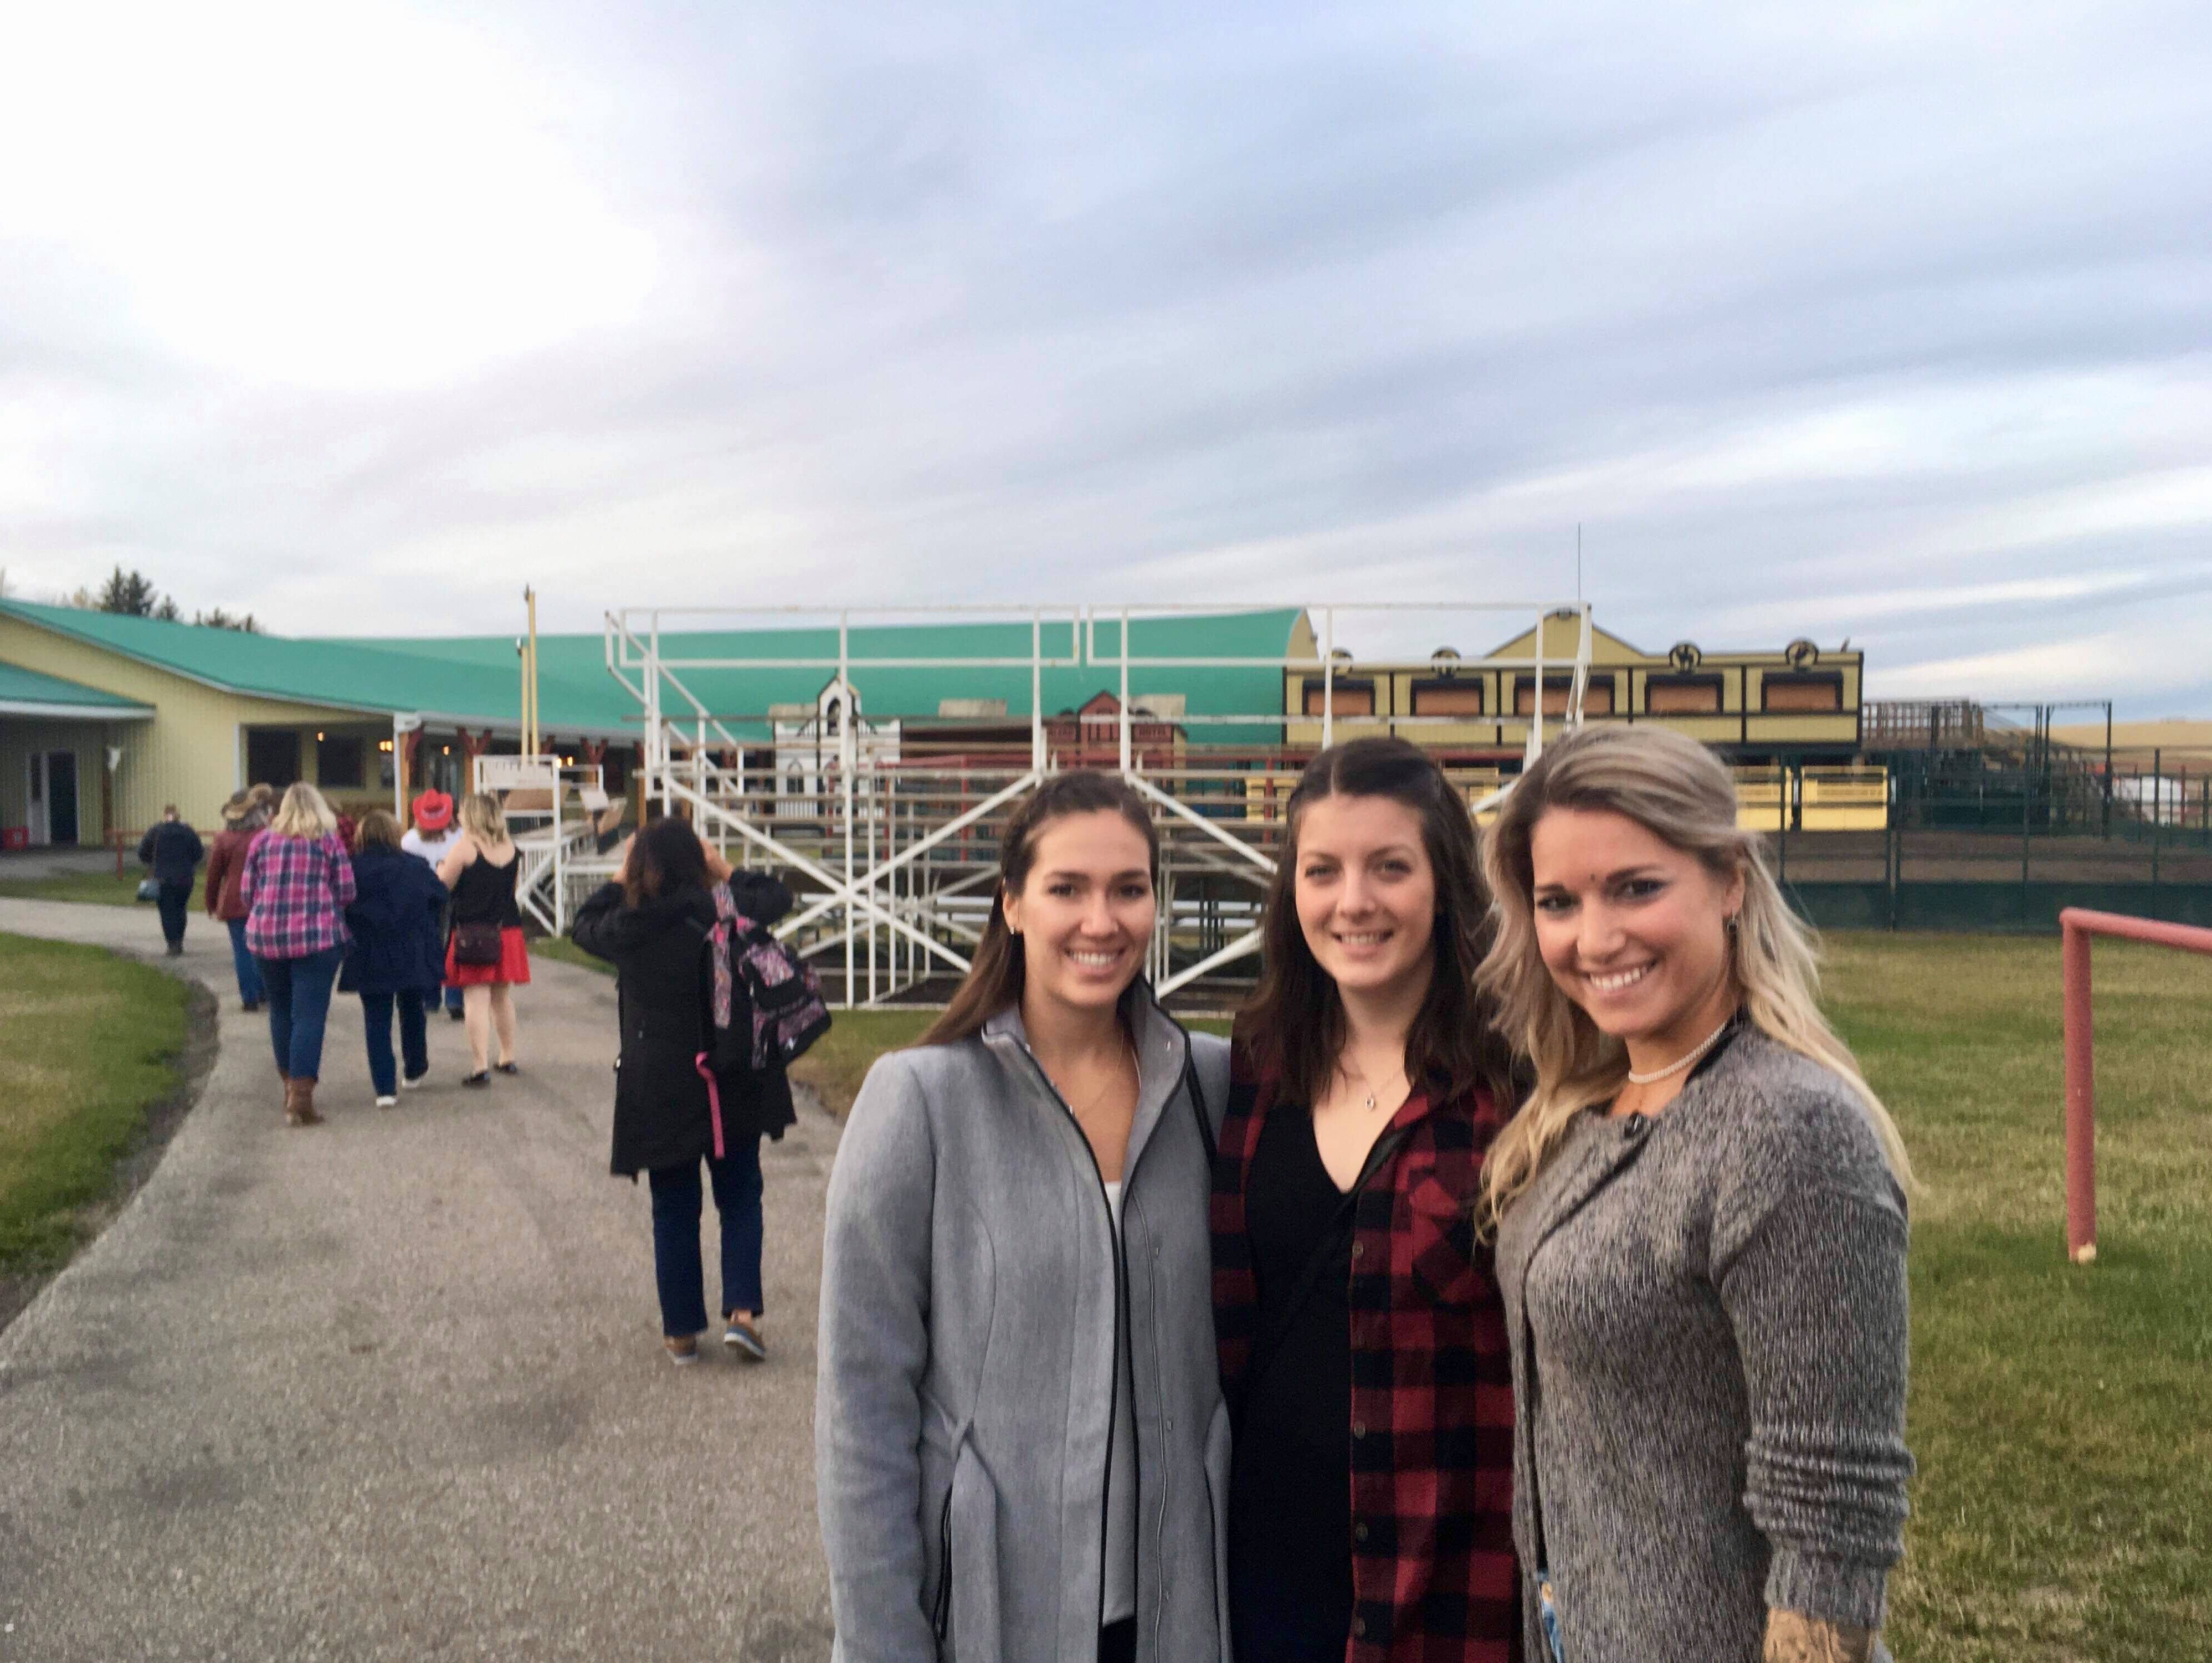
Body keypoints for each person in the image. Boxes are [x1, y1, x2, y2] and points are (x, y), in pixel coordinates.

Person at [1479, 723, 1915, 1663]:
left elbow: (1830, 1519)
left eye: (1635, 887)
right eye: (1557, 900)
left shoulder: (1787, 1131)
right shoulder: (1584, 1109)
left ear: (1727, 881)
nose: (1594, 938)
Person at [818, 772, 1233, 1663]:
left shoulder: (1214, 1085)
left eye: (1129, 888)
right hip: (993, 1624)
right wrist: (883, 1641)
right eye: (1067, 888)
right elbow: (863, 1407)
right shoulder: (921, 1101)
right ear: (1011, 904)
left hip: (1183, 1615)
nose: (1102, 919)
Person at [1213, 736, 1520, 1663]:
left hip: (1445, 1587)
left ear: (1443, 883)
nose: (1352, 901)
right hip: (1264, 1574)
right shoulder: (1257, 1065)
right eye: (1322, 870)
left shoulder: (1518, 1084)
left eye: (1389, 866)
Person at [571, 818, 799, 1364]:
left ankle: (680, 1329)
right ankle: (741, 1312)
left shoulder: (632, 924)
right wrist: (721, 866)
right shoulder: (721, 906)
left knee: (673, 1207)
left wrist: (622, 874)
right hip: (732, 1072)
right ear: (698, 862)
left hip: (661, 1082)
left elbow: (583, 923)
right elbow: (776, 895)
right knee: (740, 1195)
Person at [242, 782, 357, 1127]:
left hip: (268, 938)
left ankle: (288, 1086)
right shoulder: (327, 841)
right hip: (317, 939)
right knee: (309, 1015)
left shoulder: (261, 841)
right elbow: (347, 891)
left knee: (280, 1009)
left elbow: (247, 893)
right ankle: (301, 1098)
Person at [339, 809, 448, 1107]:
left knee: (376, 1017)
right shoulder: (415, 866)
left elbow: (342, 903)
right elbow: (440, 895)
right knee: (412, 1009)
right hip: (410, 948)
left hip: (369, 949)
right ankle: (415, 1067)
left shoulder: (352, 869)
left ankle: (384, 1087)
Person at [436, 792, 529, 1085]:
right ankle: (507, 1055)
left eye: (463, 811)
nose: (459, 816)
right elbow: (511, 891)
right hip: (508, 928)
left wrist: (440, 869)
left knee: (476, 998)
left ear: (472, 815)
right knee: (502, 997)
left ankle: (479, 1066)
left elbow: (443, 887)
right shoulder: (512, 848)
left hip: (474, 932)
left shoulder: (465, 848)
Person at [401, 789, 466, 1022]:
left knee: (429, 945)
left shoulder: (410, 840)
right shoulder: (459, 835)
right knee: (453, 945)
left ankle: (430, 997)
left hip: (422, 897)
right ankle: (454, 997)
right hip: (454, 893)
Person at [203, 792, 267, 1008]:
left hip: (234, 899)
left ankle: (249, 997)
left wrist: (211, 902)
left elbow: (213, 874)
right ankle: (264, 990)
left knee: (242, 949)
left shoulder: (223, 839)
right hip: (264, 898)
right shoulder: (266, 835)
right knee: (263, 948)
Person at [138, 804, 204, 957]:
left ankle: (172, 943)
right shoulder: (188, 831)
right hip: (185, 878)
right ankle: (179, 940)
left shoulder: (156, 831)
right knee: (181, 909)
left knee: (167, 911)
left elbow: (142, 853)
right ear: (178, 816)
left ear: (165, 816)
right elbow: (199, 853)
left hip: (162, 877)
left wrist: (153, 863)